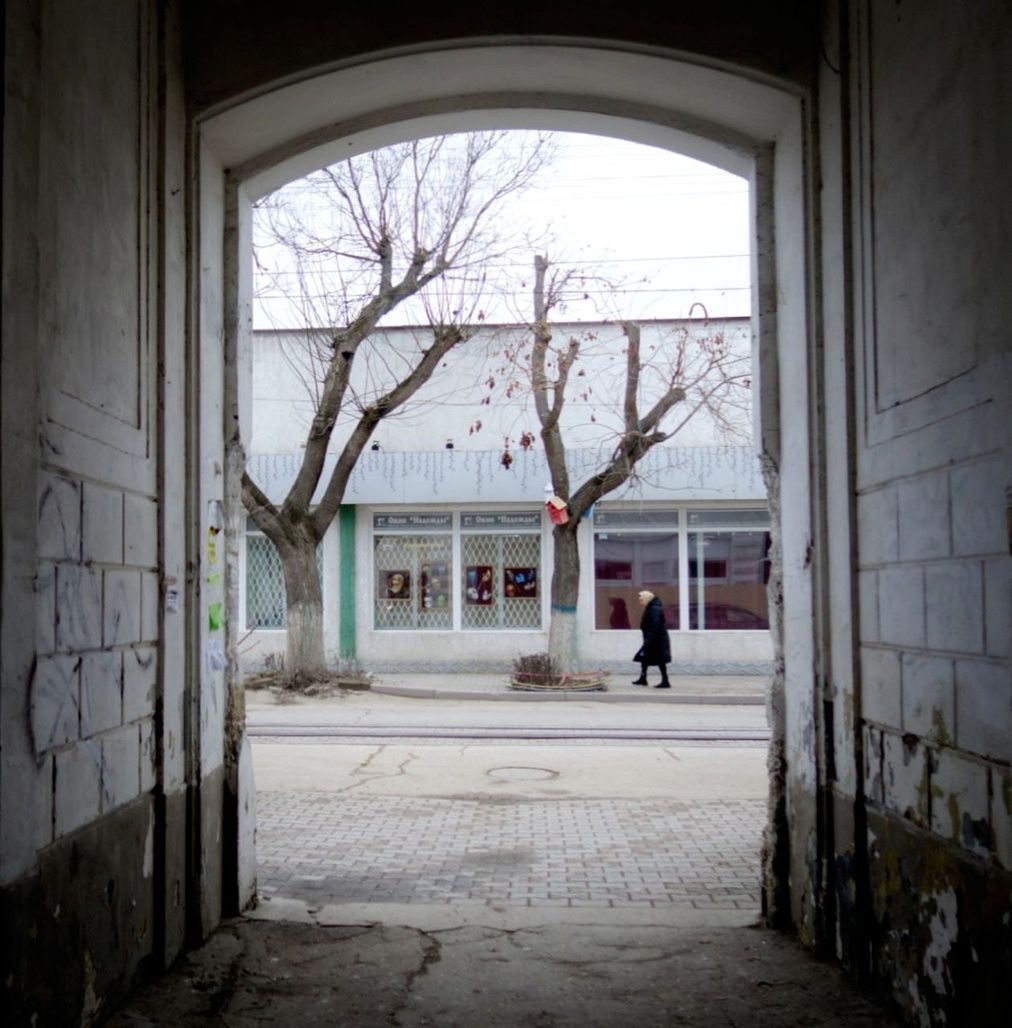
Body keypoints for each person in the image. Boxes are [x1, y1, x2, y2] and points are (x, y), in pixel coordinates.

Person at [632, 589, 671, 688]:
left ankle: (665, 681)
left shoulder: (654, 609)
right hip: (652, 638)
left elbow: (655, 626)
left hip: (657, 639)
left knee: (660, 660)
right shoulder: (651, 607)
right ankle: (643, 678)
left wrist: (648, 640)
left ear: (646, 599)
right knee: (644, 658)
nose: (640, 601)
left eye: (641, 599)